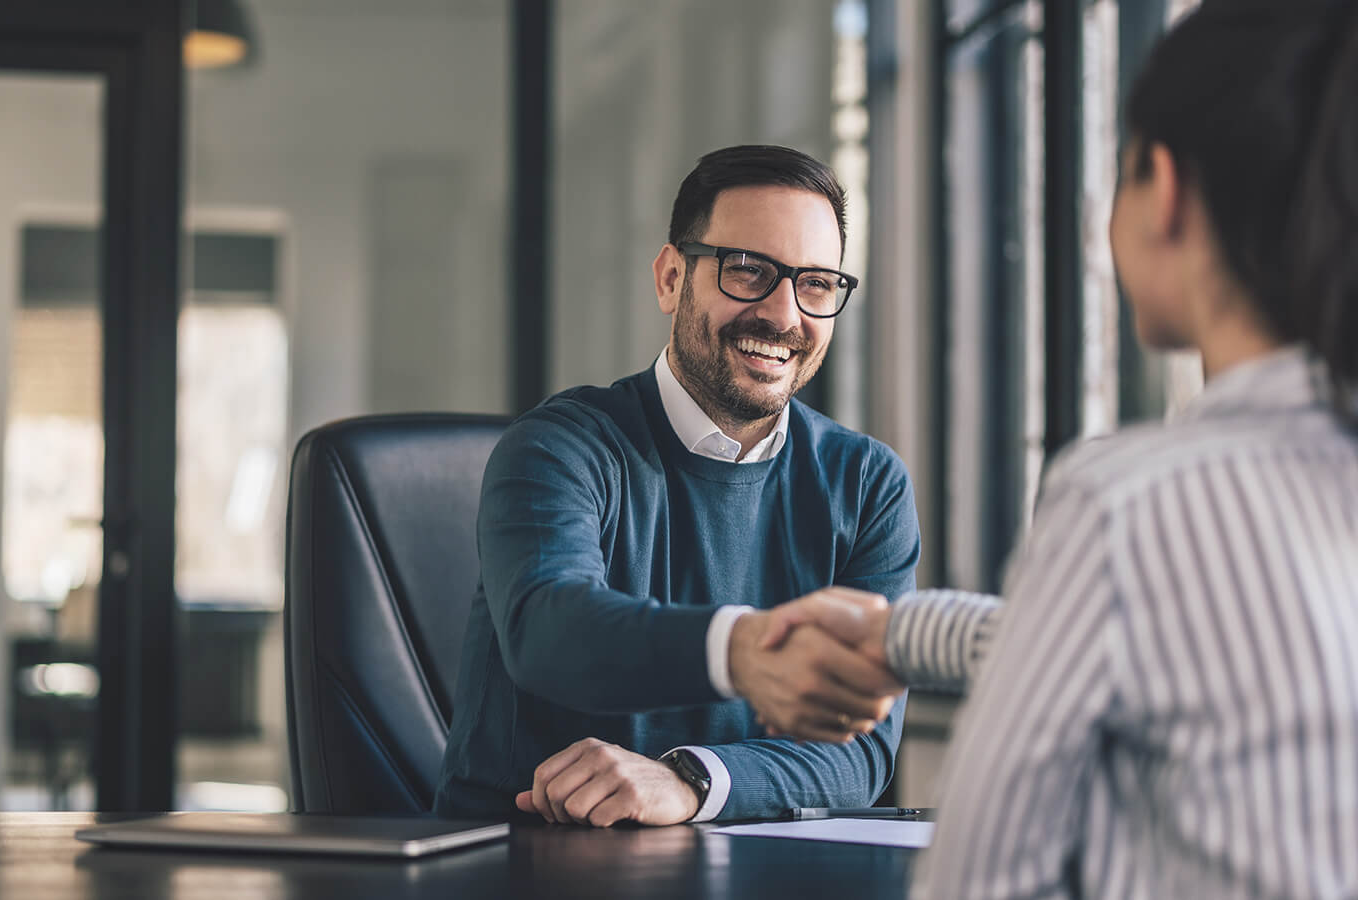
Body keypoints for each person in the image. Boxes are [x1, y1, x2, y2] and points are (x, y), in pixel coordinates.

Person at [761, 0, 1358, 895]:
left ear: (1165, 188)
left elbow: (976, 882)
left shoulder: (1127, 503)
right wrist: (902, 631)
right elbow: (1222, 652)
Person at [432, 144, 918, 827]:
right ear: (670, 279)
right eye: (748, 270)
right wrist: (743, 651)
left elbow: (861, 750)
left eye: (815, 283)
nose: (783, 316)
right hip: (525, 866)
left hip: (737, 872)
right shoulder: (559, 447)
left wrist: (692, 781)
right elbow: (548, 630)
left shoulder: (867, 485)